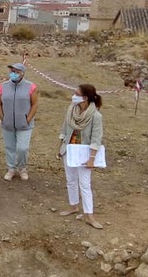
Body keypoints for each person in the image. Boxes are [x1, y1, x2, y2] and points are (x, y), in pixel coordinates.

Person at [57, 84, 104, 229]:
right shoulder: (71, 110)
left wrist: (91, 158)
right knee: (70, 180)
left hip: (84, 153)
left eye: (76, 93)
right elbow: (65, 129)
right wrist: (60, 148)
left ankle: (89, 215)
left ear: (84, 97)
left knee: (85, 184)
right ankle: (74, 206)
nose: (73, 96)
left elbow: (96, 138)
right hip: (69, 150)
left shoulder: (95, 116)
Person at [0, 62, 39, 181]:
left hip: (24, 124)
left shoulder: (31, 87)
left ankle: (22, 168)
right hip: (7, 124)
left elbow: (34, 104)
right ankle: (11, 169)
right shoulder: (2, 86)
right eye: (12, 71)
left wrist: (28, 119)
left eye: (16, 72)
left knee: (22, 148)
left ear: (22, 74)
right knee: (10, 147)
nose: (13, 74)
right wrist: (3, 118)